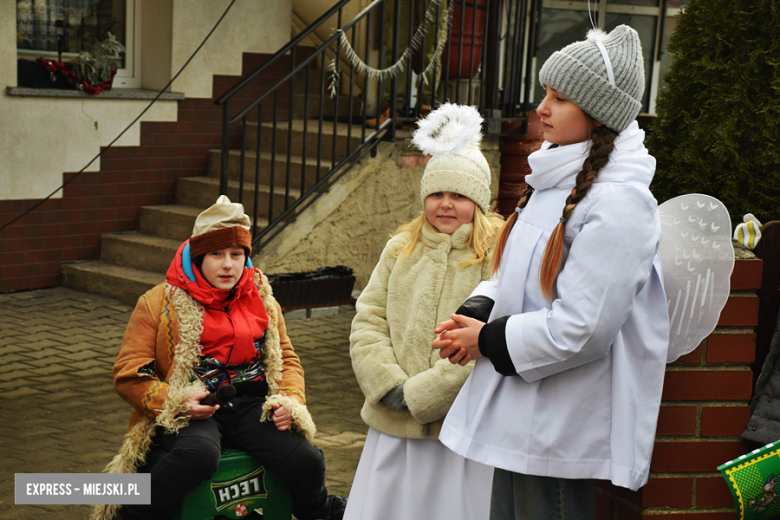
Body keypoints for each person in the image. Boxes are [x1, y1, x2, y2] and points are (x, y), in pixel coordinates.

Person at [432, 26, 669, 520]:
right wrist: (477, 310)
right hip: (521, 410)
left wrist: (489, 341)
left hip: (561, 424)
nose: (541, 107)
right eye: (546, 93)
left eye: (559, 98)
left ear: (599, 116)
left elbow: (584, 328)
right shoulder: (554, 181)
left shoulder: (620, 203)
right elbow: (515, 275)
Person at [92, 196, 346, 520]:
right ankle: (126, 516)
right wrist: (177, 401)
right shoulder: (157, 302)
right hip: (189, 410)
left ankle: (319, 512)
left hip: (249, 407)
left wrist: (289, 402)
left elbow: (286, 358)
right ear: (198, 257)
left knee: (308, 459)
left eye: (236, 254)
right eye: (216, 254)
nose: (228, 265)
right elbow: (130, 375)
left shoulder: (263, 298)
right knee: (197, 455)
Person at [346, 104, 504, 520]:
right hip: (392, 421)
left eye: (459, 195)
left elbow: (486, 339)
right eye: (436, 194)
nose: (445, 205)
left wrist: (425, 394)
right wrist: (389, 384)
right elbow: (369, 319)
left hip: (459, 427)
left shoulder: (496, 257)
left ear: (479, 201)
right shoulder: (401, 248)